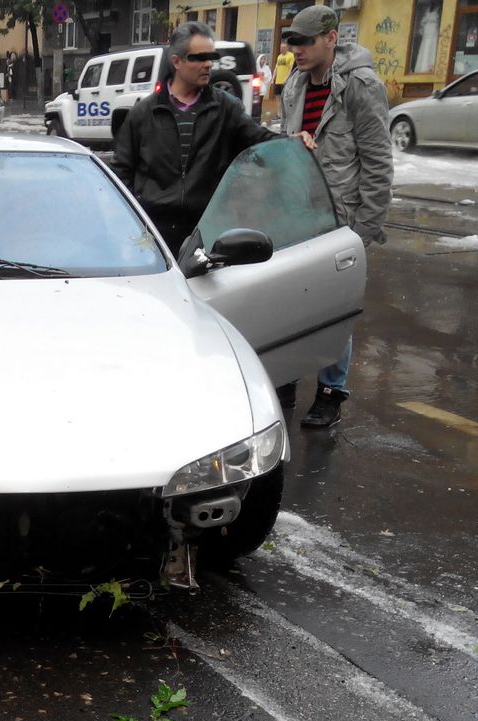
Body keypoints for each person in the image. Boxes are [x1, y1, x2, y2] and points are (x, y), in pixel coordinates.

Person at [279, 5, 393, 428]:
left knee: (335, 309)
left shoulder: (360, 86)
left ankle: (331, 390)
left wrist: (363, 231)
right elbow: (285, 145)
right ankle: (287, 376)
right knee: (290, 301)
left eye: (305, 41)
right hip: (298, 215)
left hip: (341, 221)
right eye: (292, 41)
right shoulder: (294, 85)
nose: (297, 49)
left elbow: (378, 163)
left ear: (331, 38)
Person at [111, 22, 281, 256]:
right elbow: (121, 173)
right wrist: (131, 221)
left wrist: (293, 142)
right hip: (153, 234)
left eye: (211, 57)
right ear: (177, 61)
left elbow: (260, 142)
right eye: (199, 58)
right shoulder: (144, 113)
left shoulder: (226, 109)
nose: (208, 64)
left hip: (207, 231)